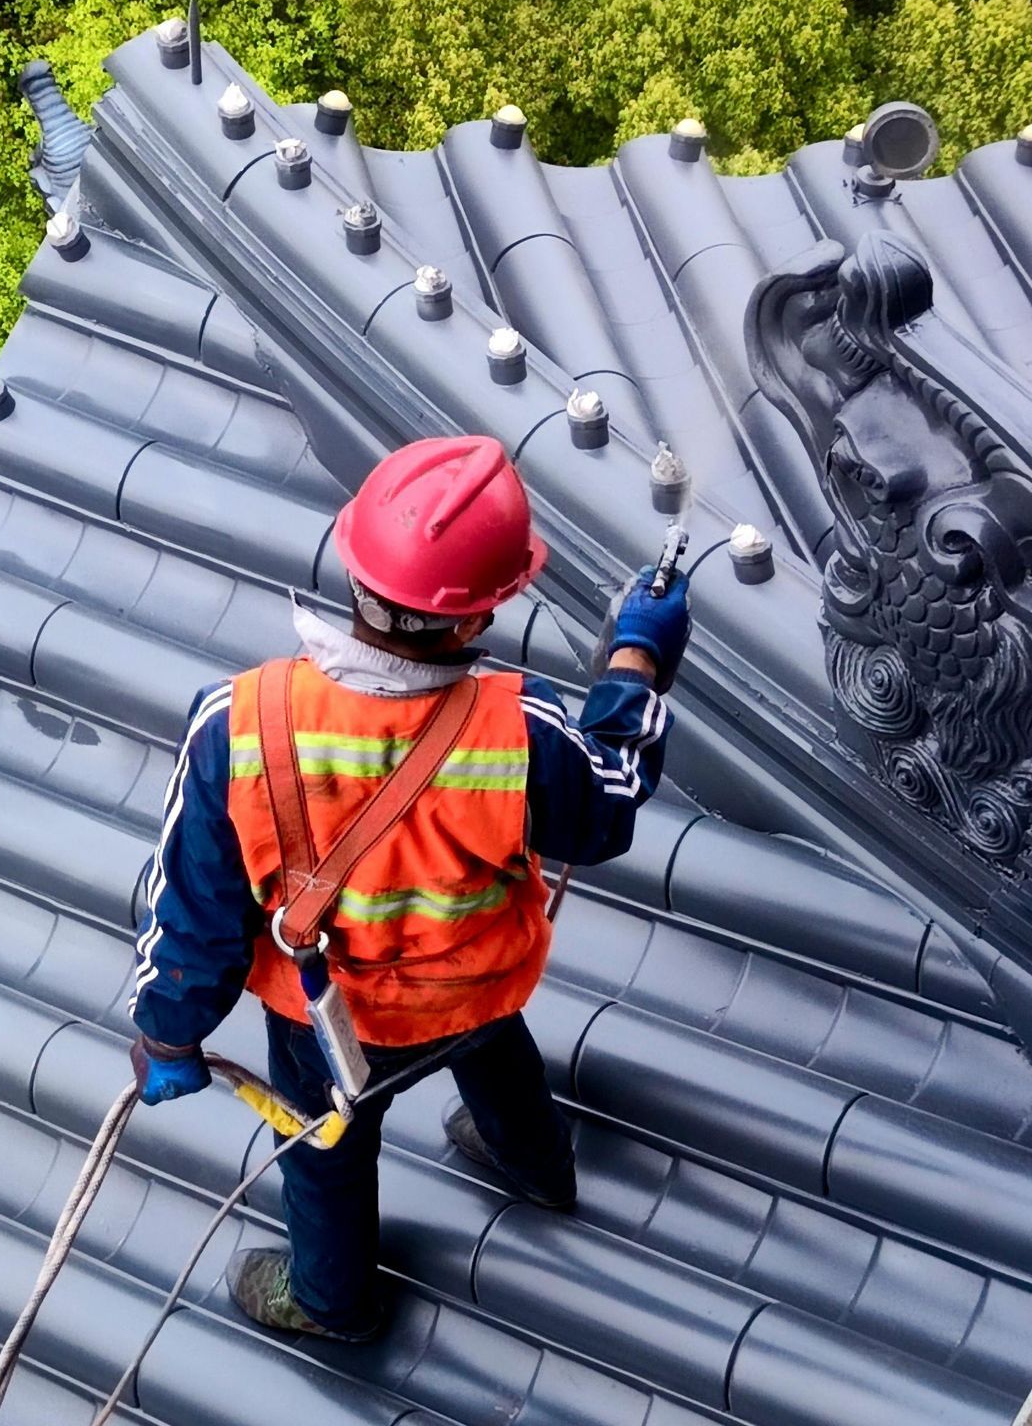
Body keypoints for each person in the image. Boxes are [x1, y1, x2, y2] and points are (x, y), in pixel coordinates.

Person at [127, 435, 687, 1341]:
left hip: (325, 1020)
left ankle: (332, 1301)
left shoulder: (238, 724)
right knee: (496, 1055)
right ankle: (536, 1167)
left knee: (325, 1147)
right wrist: (636, 664)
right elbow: (606, 809)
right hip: (472, 987)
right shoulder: (520, 732)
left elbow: (192, 916)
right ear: (476, 617)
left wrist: (167, 1032)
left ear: (353, 568)